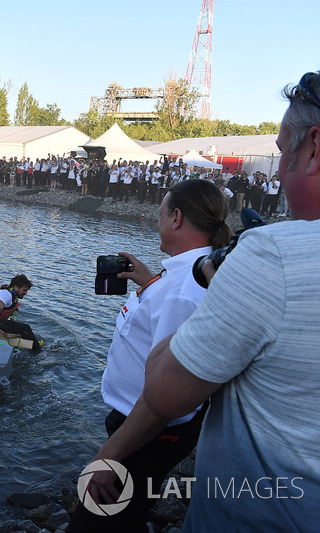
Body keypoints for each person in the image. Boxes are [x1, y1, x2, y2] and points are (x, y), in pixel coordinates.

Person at [141, 70, 320, 531]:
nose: (278, 171)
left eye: (284, 154)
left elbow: (164, 391)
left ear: (314, 148)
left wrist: (229, 281)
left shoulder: (272, 256)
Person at [66, 179, 231, 533]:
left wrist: (106, 456)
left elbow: (165, 393)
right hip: (142, 427)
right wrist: (149, 282)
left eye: (159, 215)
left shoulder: (182, 292)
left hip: (147, 429)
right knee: (128, 513)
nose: (156, 223)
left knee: (92, 525)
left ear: (175, 218)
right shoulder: (182, 276)